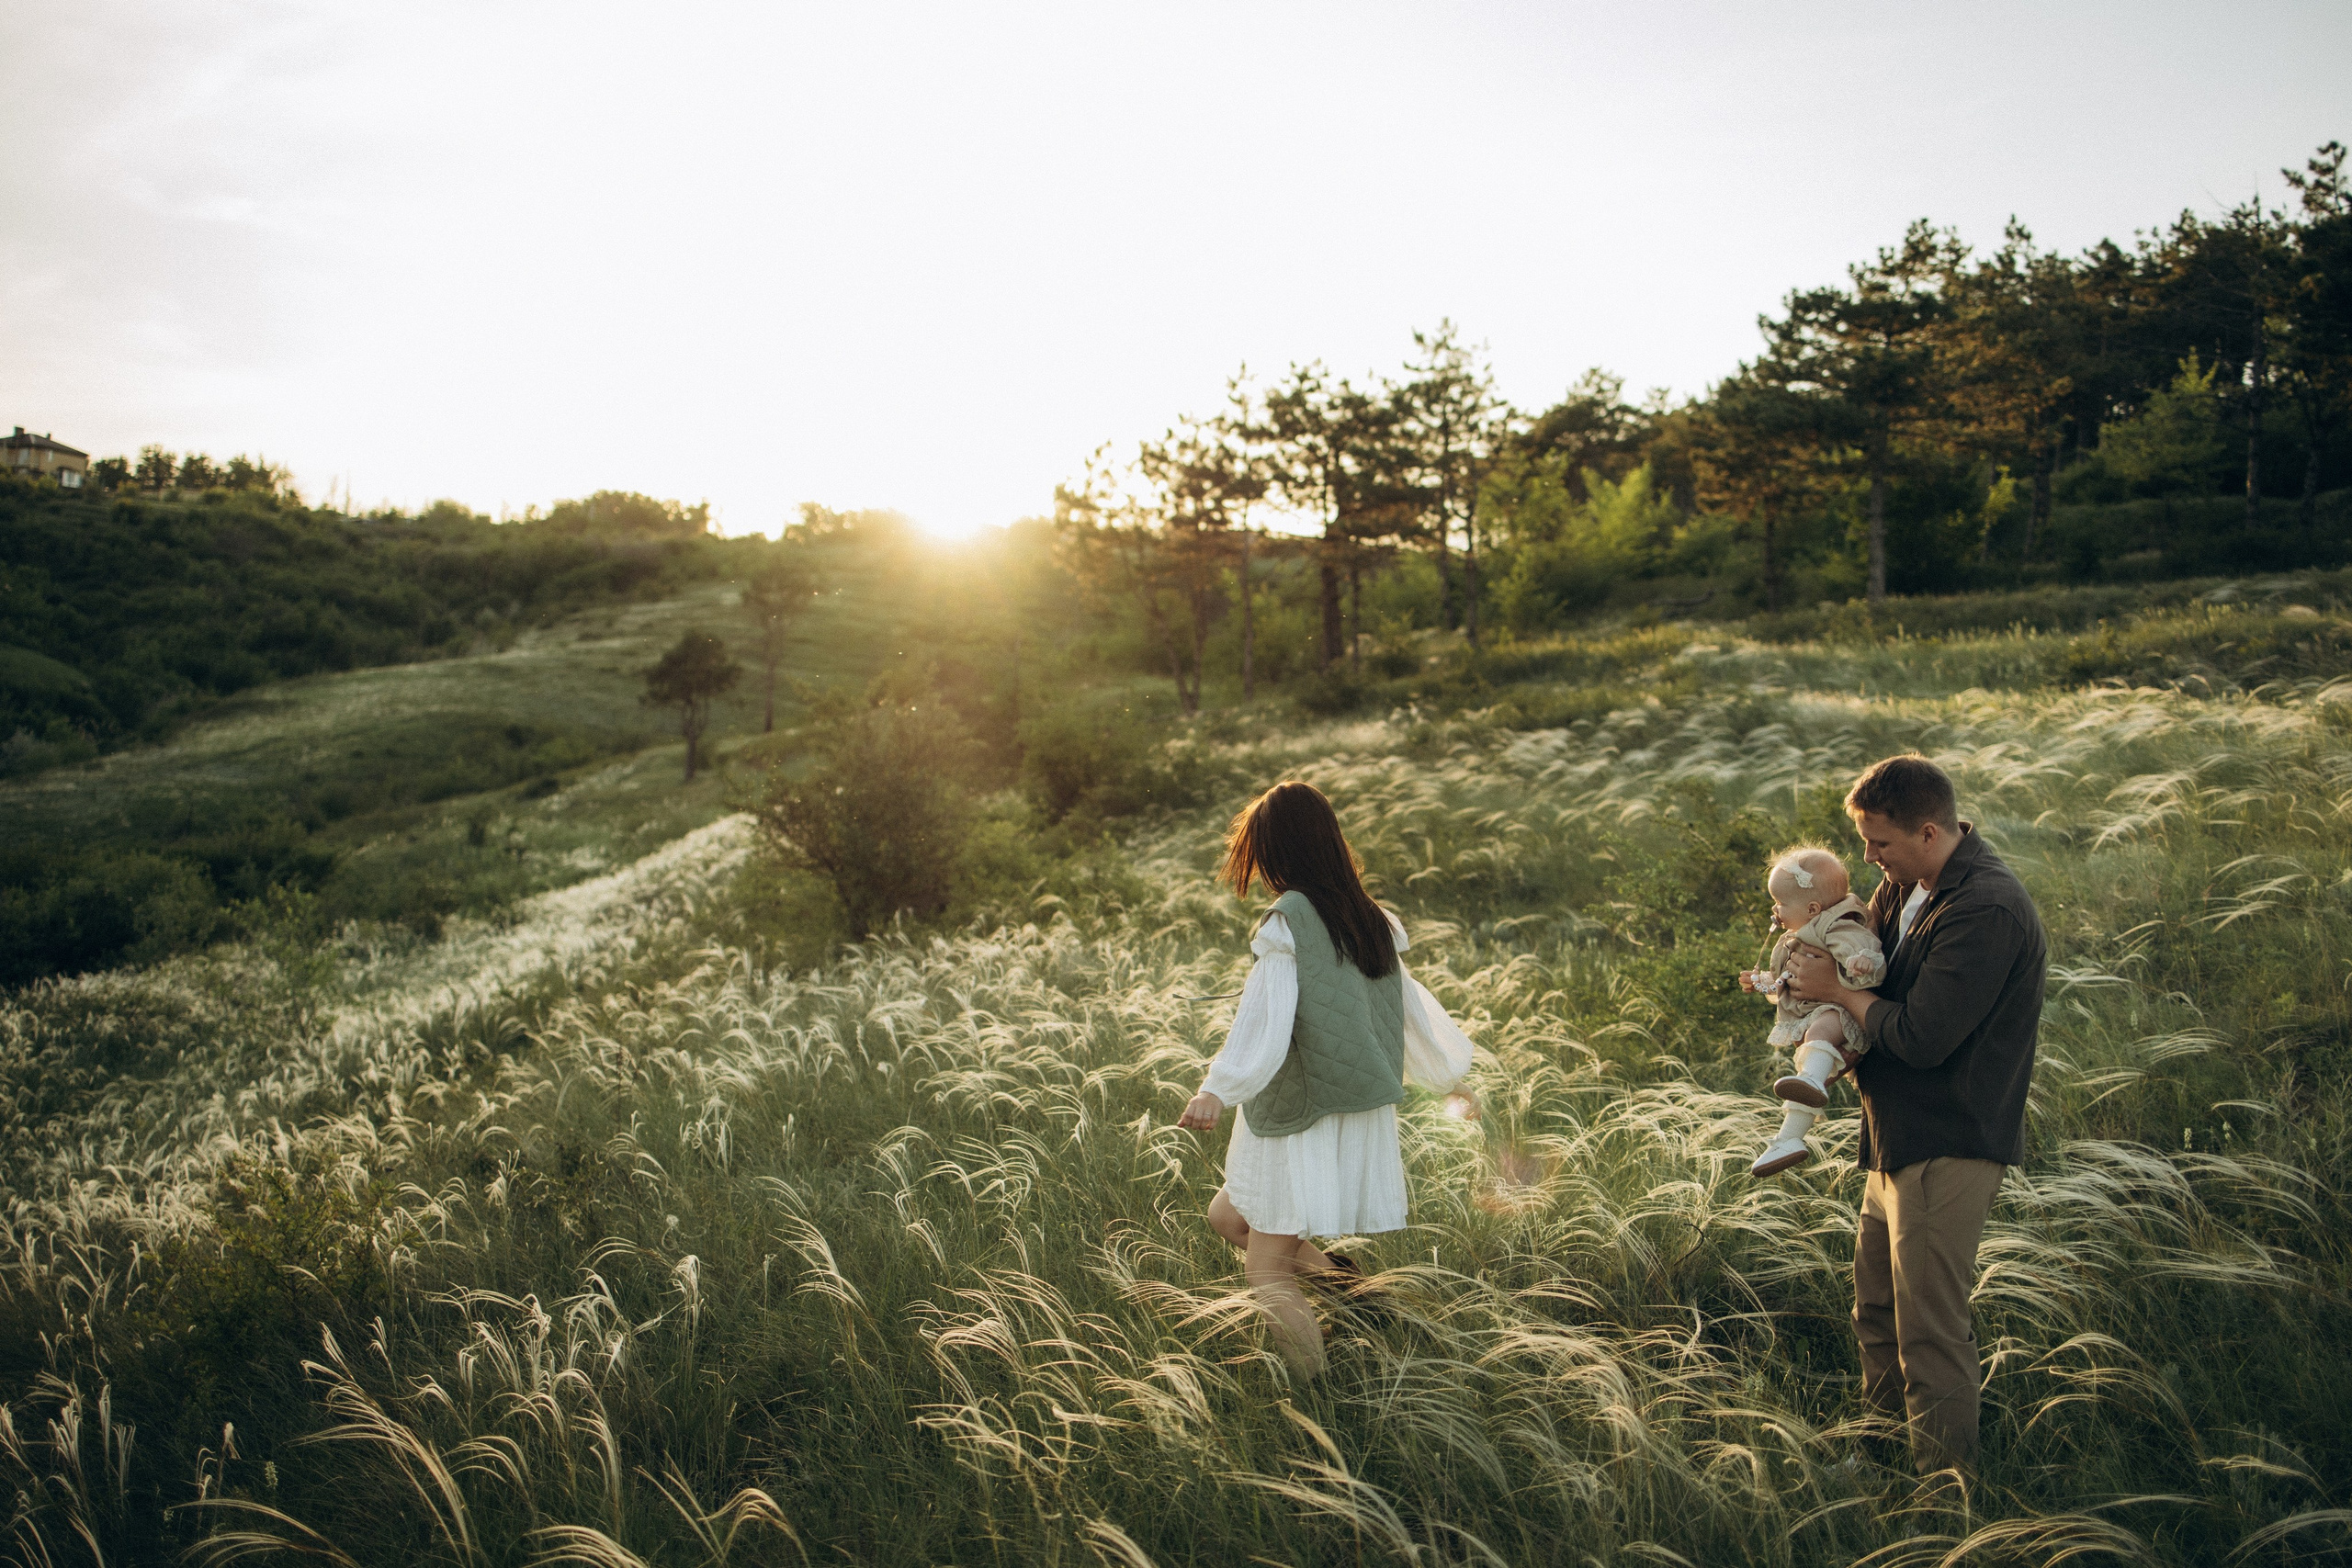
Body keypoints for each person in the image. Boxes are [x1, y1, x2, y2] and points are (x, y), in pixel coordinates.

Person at [1785, 754, 2046, 1474]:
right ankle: (1882, 1456)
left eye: (1879, 842)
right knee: (1876, 1312)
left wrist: (1837, 992)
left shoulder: (1984, 908)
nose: (1867, 857)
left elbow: (1924, 1037)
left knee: (1929, 1329)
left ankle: (1943, 1494)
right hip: (1895, 1132)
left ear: (1929, 832)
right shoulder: (1905, 885)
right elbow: (1864, 969)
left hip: (1950, 1135)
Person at [1176, 780, 1477, 1379]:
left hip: (1303, 1112)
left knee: (1265, 1268)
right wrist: (1446, 1077)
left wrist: (1217, 1087)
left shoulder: (1288, 925)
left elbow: (1262, 1023)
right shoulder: (1371, 920)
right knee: (1228, 1216)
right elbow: (1410, 1011)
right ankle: (1355, 1290)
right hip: (1352, 1110)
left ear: (1280, 853)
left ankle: (1314, 1400)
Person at [1738, 846, 1885, 1177]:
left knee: (1818, 1036)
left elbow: (1862, 953)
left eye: (1780, 903)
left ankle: (1811, 1085)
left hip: (1841, 1013)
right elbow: (1783, 983)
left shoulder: (1836, 928)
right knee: (1808, 1063)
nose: (1775, 910)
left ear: (1813, 908)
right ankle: (1788, 1138)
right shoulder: (1796, 936)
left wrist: (1860, 963)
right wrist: (1761, 982)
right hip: (1818, 1013)